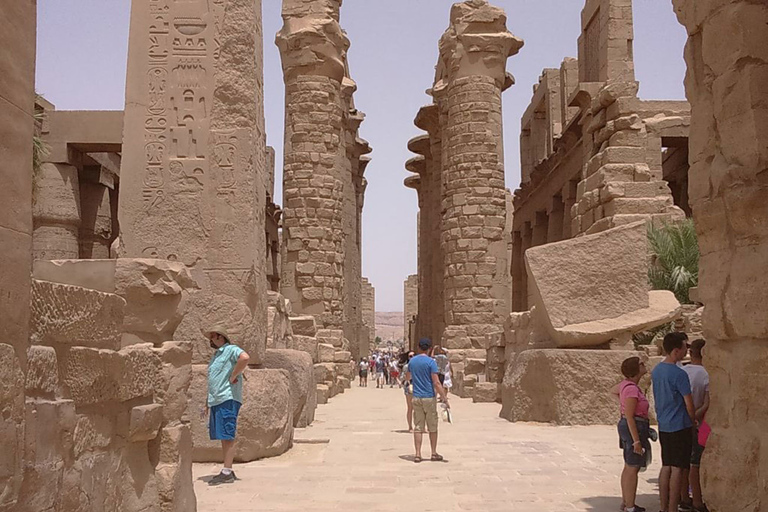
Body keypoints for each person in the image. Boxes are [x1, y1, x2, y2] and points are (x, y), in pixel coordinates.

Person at [652, 332, 695, 512]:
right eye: (685, 346)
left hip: (664, 424)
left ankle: (663, 506)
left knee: (666, 465)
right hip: (680, 425)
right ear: (676, 350)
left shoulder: (656, 370)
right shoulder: (679, 374)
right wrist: (694, 421)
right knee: (678, 468)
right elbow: (689, 403)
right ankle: (672, 508)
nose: (687, 350)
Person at [203, 325, 250, 485]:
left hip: (227, 397)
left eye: (215, 336)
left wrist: (234, 375)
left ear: (222, 338)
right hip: (217, 399)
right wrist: (207, 402)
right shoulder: (216, 355)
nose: (212, 339)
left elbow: (244, 358)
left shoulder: (231, 349)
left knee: (227, 434)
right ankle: (227, 468)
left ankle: (227, 471)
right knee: (223, 435)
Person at [405, 338, 449, 463]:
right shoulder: (431, 362)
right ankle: (433, 453)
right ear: (429, 349)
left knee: (418, 426)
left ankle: (418, 454)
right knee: (432, 427)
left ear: (419, 347)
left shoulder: (412, 361)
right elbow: (436, 382)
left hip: (417, 396)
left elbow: (408, 377)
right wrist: (444, 398)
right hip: (429, 397)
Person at [617, 356, 652, 512]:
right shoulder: (631, 389)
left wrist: (622, 405)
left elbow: (613, 391)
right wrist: (636, 441)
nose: (644, 365)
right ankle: (630, 507)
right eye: (641, 364)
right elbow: (630, 416)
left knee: (628, 465)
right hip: (634, 426)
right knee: (633, 467)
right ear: (635, 370)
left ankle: (627, 502)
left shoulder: (626, 385)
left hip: (631, 425)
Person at [680, 339, 710, 512]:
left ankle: (683, 497)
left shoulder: (682, 372)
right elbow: (707, 404)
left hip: (679, 422)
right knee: (695, 463)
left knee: (682, 463)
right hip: (700, 424)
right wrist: (695, 416)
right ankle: (698, 500)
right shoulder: (707, 374)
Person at [401, 351, 415, 432]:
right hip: (409, 385)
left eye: (413, 355)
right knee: (410, 407)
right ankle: (410, 426)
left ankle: (420, 425)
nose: (412, 357)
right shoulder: (406, 366)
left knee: (419, 407)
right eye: (410, 356)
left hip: (418, 385)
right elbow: (404, 377)